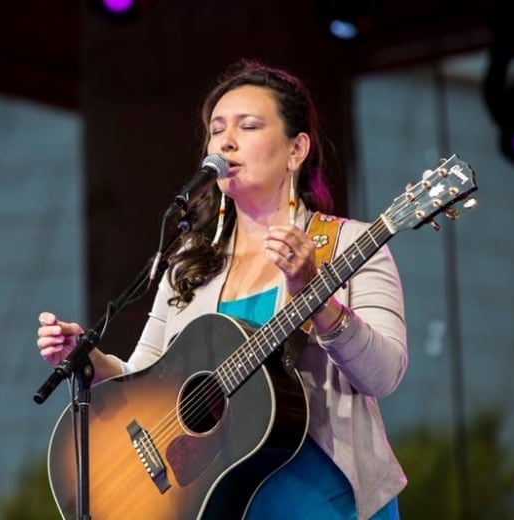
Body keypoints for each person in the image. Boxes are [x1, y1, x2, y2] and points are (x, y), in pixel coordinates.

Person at [37, 59, 407, 520]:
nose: (226, 141)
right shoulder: (190, 261)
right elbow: (147, 378)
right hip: (219, 500)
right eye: (217, 130)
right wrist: (88, 359)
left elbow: (384, 374)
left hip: (325, 500)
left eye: (248, 126)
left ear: (296, 150)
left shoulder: (349, 244)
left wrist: (318, 297)